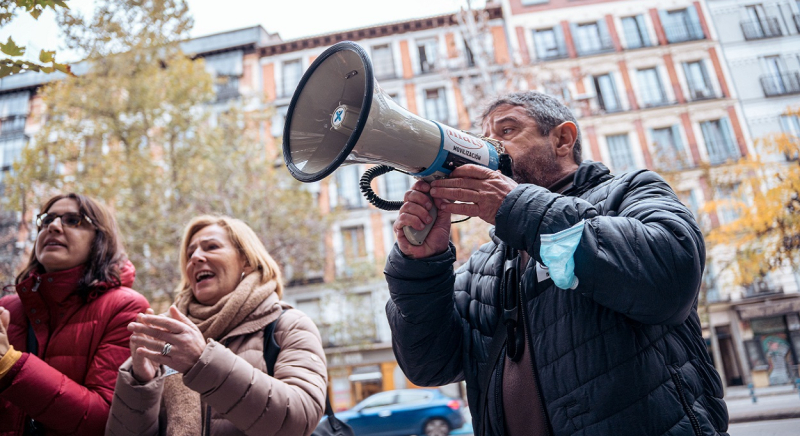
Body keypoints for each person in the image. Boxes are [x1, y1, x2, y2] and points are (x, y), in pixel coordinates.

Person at [385, 91, 728, 435]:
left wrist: (518, 207)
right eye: (484, 138)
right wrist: (421, 266)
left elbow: (671, 277)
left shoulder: (629, 192)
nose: (492, 147)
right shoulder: (482, 264)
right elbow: (430, 366)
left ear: (563, 139)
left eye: (506, 131)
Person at [106, 215, 327, 436]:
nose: (196, 258)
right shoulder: (166, 337)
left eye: (211, 247)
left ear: (247, 262)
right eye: (190, 253)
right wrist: (140, 383)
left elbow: (301, 418)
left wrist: (202, 361)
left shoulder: (289, 325)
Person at [0, 193, 150, 435]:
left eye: (73, 220)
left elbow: (104, 419)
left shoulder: (125, 307)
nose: (54, 227)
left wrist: (10, 366)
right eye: (47, 220)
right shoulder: (7, 308)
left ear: (100, 240)